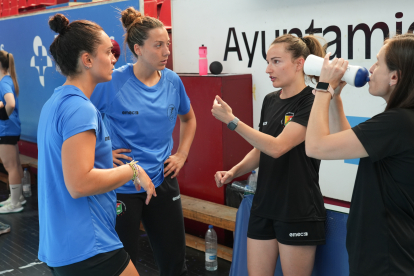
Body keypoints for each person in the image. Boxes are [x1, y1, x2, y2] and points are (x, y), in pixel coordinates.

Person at [37, 13, 156, 276]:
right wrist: (133, 170)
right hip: (89, 244)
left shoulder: (55, 103)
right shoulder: (80, 109)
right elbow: (79, 184)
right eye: (107, 52)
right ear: (87, 60)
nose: (114, 58)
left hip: (65, 246)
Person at [90, 7, 196, 276]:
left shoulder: (173, 82)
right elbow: (83, 121)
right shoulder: (112, 82)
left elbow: (189, 119)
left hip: (162, 179)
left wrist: (182, 154)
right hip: (123, 184)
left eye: (167, 45)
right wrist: (102, 153)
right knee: (124, 264)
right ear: (138, 48)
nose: (166, 52)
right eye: (158, 45)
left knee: (175, 264)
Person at [212, 34, 326, 276]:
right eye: (267, 61)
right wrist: (234, 171)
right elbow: (262, 148)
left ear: (299, 63)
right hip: (264, 206)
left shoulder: (312, 101)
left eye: (276, 61)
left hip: (297, 209)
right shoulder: (270, 100)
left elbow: (277, 147)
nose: (268, 69)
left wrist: (232, 121)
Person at [306, 33, 414, 276]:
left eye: (378, 63)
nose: (371, 69)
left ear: (395, 77)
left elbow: (315, 146)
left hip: (388, 259)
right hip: (387, 254)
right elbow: (349, 146)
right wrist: (335, 97)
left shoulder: (398, 122)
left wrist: (323, 87)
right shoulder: (401, 121)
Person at [0, 50, 25, 214]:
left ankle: (15, 202)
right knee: (15, 164)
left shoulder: (3, 82)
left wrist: (2, 115)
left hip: (6, 129)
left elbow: (10, 103)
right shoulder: (7, 79)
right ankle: (18, 197)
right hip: (10, 129)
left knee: (11, 166)